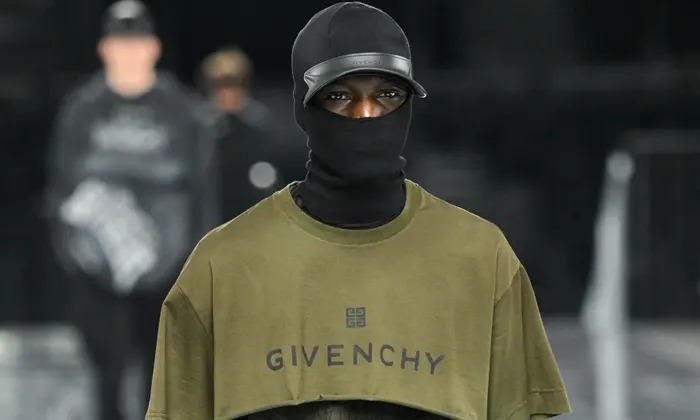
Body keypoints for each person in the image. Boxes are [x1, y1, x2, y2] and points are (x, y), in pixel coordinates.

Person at [146, 2, 572, 420]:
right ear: (302, 109)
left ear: (409, 104)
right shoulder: (220, 269)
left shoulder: (482, 259)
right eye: (340, 97)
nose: (367, 115)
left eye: (387, 95)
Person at [45, 1, 217, 419]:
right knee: (106, 375)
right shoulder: (82, 110)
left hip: (168, 272)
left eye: (136, 43)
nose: (128, 53)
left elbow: (202, 190)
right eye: (120, 44)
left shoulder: (181, 111)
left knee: (162, 380)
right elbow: (60, 188)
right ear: (104, 49)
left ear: (153, 48)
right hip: (97, 276)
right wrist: (73, 257)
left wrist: (200, 265)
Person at [199, 47, 307, 221]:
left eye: (235, 84)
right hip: (211, 220)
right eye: (220, 85)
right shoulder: (199, 129)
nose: (228, 93)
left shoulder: (260, 126)